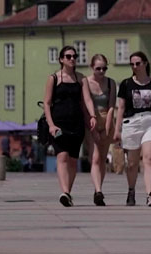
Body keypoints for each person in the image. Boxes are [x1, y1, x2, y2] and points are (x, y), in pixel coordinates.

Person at [43, 45, 98, 207]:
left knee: (73, 160)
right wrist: (51, 125)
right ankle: (65, 192)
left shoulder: (81, 79)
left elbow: (87, 99)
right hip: (59, 123)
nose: (72, 59)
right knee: (62, 156)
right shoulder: (53, 78)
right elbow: (46, 104)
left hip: (77, 123)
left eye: (74, 56)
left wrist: (92, 116)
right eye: (68, 56)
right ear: (61, 59)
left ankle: (68, 193)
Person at [114, 51, 151, 207]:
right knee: (132, 164)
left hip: (150, 122)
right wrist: (117, 130)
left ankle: (149, 195)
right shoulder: (126, 84)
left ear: (145, 63)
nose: (134, 66)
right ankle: (131, 190)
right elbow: (121, 108)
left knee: (149, 158)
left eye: (138, 63)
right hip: (131, 123)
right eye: (132, 64)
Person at [86, 54, 117, 206]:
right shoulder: (85, 82)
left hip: (107, 120)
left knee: (102, 158)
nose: (101, 71)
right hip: (91, 121)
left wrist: (107, 128)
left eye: (104, 68)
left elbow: (111, 106)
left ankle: (99, 189)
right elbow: (84, 104)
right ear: (92, 67)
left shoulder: (111, 83)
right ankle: (98, 191)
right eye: (98, 68)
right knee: (95, 158)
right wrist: (93, 130)